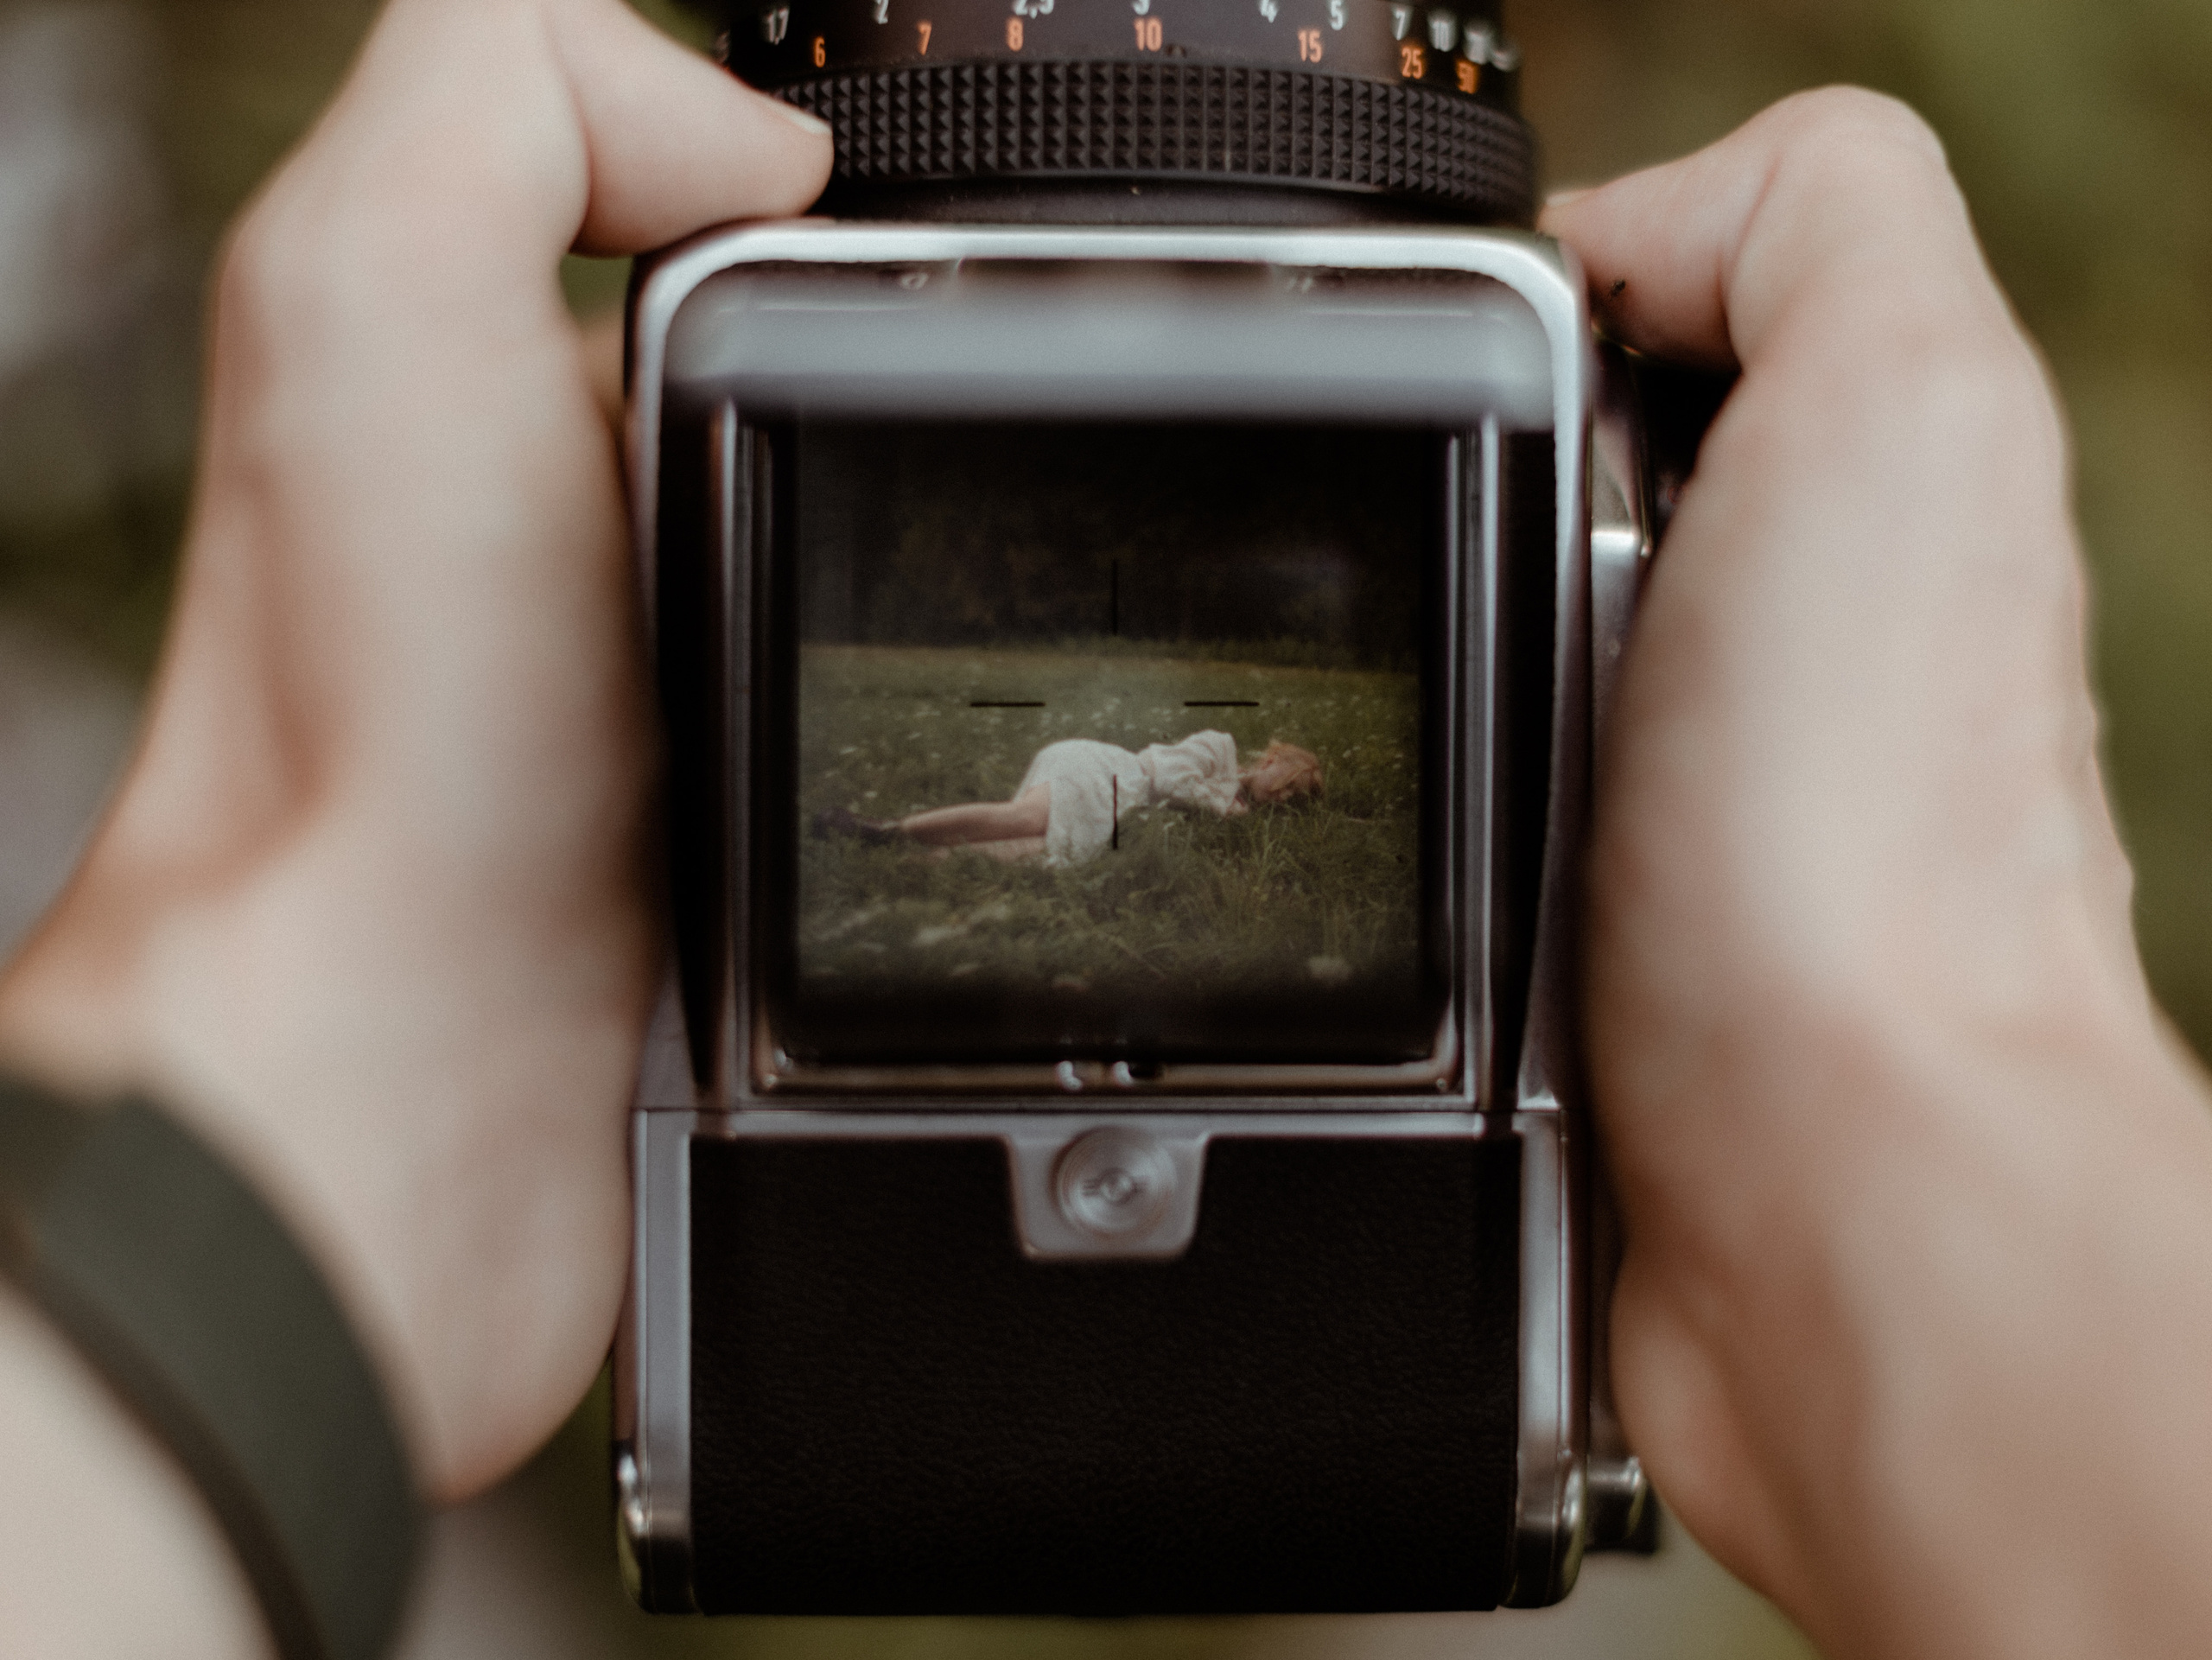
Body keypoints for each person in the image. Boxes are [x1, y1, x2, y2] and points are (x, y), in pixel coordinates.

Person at [1, 0, 2209, 1656]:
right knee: (975, 823)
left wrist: (292, 1145)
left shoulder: (1216, 767)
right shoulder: (1217, 752)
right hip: (1090, 797)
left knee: (975, 831)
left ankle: (871, 831)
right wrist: (1909, 1090)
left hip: (1078, 813)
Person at [815, 733, 1324, 866]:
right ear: (1270, 759)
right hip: (1109, 771)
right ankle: (884, 831)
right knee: (1026, 818)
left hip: (1112, 815)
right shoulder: (1220, 748)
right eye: (1286, 776)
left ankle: (908, 866)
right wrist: (1223, 806)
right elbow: (1169, 777)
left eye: (1291, 795)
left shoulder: (1237, 823)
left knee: (1035, 853)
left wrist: (1232, 815)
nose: (1282, 791)